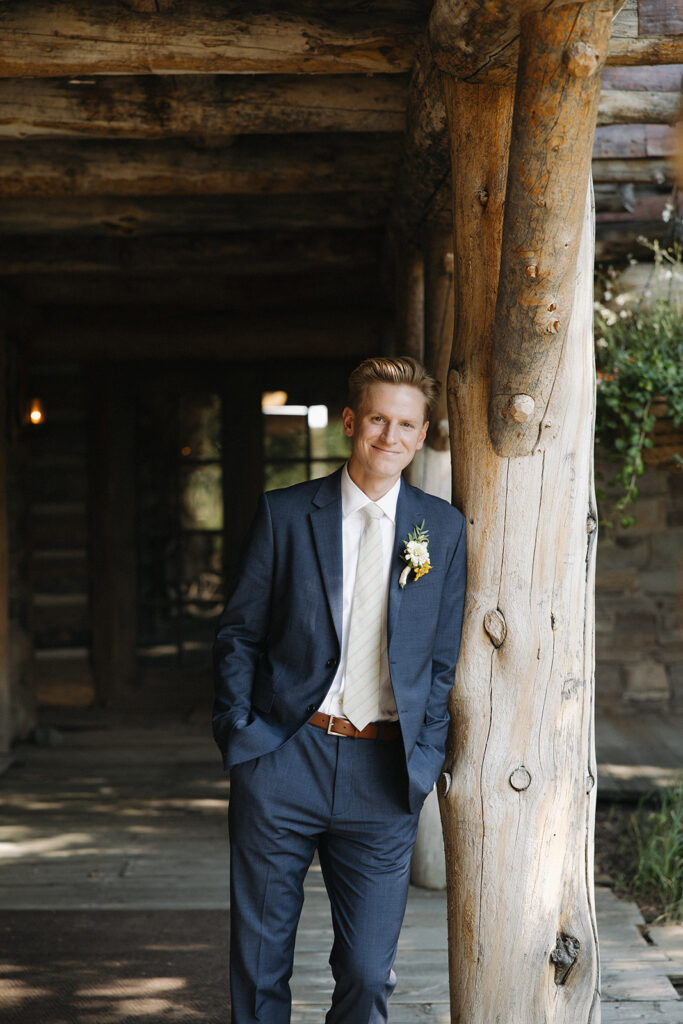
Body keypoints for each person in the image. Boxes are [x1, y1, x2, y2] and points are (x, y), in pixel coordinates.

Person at [213, 356, 467, 1024]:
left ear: (420, 435)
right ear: (351, 421)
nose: (390, 435)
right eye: (378, 418)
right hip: (282, 756)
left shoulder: (438, 531)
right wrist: (240, 735)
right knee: (260, 960)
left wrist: (425, 756)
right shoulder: (286, 514)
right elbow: (238, 633)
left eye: (405, 424)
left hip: (383, 773)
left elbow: (441, 660)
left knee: (365, 973)